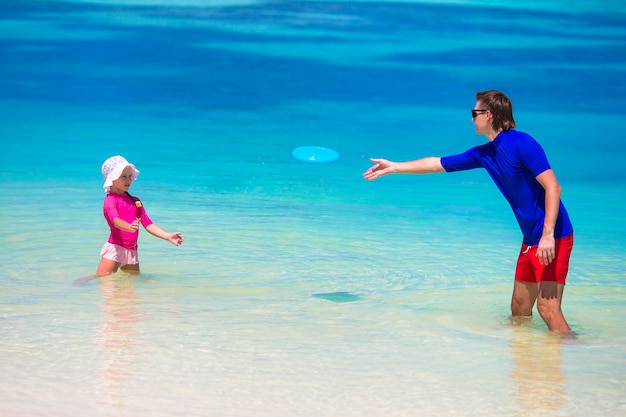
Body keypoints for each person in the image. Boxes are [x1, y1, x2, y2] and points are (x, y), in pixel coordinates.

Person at [363, 90, 574, 334]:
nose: (471, 119)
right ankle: (525, 365)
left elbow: (553, 187)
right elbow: (436, 163)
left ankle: (573, 357)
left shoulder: (522, 143)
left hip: (554, 235)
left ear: (489, 115)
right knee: (519, 308)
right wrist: (395, 167)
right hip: (530, 239)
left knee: (548, 310)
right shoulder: (485, 154)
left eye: (474, 113)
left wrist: (548, 235)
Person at [95, 155, 184, 276]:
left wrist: (167, 236)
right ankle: (81, 284)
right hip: (115, 249)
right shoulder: (110, 200)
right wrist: (128, 227)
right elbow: (115, 220)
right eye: (123, 177)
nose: (128, 180)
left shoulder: (135, 201)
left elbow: (148, 224)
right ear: (112, 178)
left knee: (132, 285)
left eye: (130, 176)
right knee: (102, 280)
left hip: (131, 251)